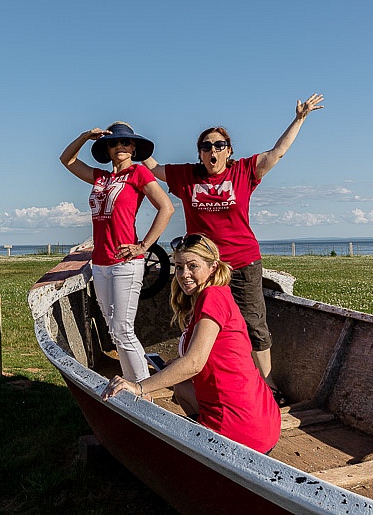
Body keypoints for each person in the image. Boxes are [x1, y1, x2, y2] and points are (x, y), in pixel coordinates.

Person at [144, 94, 324, 399]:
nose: (212, 151)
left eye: (218, 146)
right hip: (204, 268)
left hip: (242, 262)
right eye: (206, 146)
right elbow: (153, 167)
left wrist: (299, 118)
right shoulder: (187, 176)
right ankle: (205, 376)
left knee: (253, 322)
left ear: (228, 151)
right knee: (201, 321)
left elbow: (277, 152)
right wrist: (130, 141)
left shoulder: (243, 171)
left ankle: (267, 387)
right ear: (199, 153)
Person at [101, 233, 281, 453]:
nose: (184, 274)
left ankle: (209, 439)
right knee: (182, 385)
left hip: (240, 433)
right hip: (265, 421)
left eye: (192, 266)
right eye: (178, 267)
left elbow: (194, 362)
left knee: (146, 443)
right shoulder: (219, 293)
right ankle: (202, 429)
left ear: (213, 267)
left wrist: (138, 387)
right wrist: (175, 365)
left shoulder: (211, 297)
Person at [60, 122, 174, 384]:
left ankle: (144, 388)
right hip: (100, 263)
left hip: (125, 262)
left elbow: (166, 208)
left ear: (133, 147)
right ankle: (130, 380)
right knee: (114, 329)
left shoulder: (139, 174)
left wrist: (143, 246)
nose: (120, 147)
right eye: (114, 143)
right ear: (107, 148)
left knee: (123, 329)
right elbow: (67, 160)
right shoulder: (101, 177)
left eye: (125, 142)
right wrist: (86, 135)